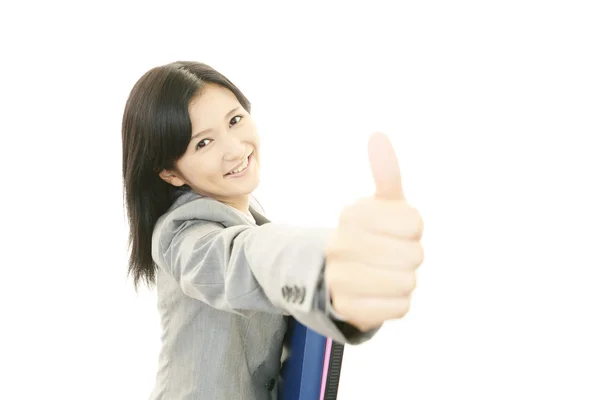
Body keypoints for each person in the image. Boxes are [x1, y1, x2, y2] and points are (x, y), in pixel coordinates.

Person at [121, 61, 424, 399]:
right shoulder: (179, 236)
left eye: (235, 120)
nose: (235, 148)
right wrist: (328, 265)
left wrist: (348, 296)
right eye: (203, 143)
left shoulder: (248, 214)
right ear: (171, 173)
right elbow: (243, 258)